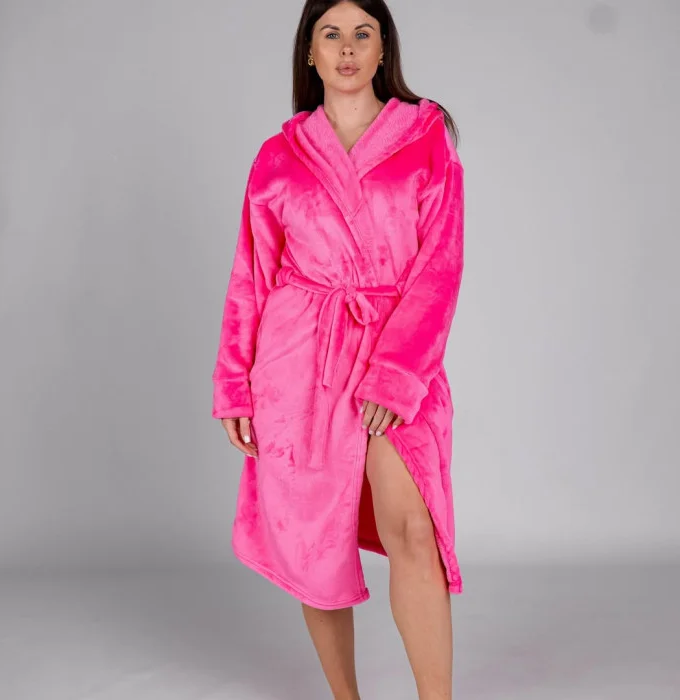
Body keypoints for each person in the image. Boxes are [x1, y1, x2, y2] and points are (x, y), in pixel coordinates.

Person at [211, 1, 465, 697]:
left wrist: (396, 374)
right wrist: (234, 384)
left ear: (384, 50)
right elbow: (251, 275)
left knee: (413, 531)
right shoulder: (278, 157)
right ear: (311, 52)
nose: (347, 48)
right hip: (298, 364)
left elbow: (440, 269)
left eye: (362, 34)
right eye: (331, 35)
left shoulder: (426, 138)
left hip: (396, 353)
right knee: (314, 545)